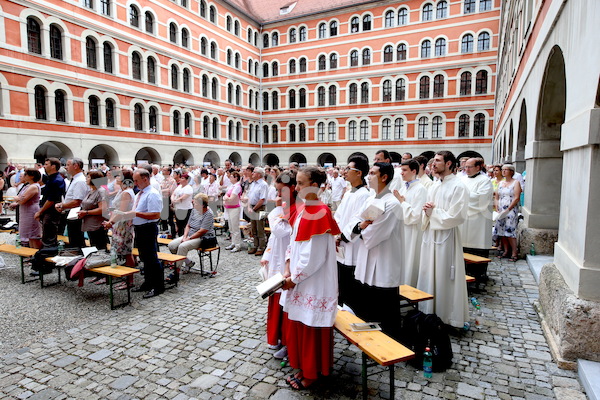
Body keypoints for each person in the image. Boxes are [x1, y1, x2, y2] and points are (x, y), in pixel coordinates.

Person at [281, 167, 340, 390]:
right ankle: (301, 367)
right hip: (299, 277)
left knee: (311, 326)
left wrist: (294, 278)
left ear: (315, 186)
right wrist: (288, 266)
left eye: (301, 183)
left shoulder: (320, 211)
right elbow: (293, 242)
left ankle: (313, 372)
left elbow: (313, 257)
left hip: (314, 282)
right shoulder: (304, 208)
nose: (296, 188)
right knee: (299, 324)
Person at [417, 151, 469, 328]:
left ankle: (446, 315)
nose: (433, 164)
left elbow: (458, 215)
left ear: (448, 164)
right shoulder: (434, 185)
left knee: (444, 275)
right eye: (433, 161)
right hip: (431, 234)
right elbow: (428, 210)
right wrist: (426, 211)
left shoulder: (458, 186)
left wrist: (434, 213)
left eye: (438, 161)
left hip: (446, 238)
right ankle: (428, 311)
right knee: (428, 271)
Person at [353, 162, 404, 339]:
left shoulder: (392, 204)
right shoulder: (370, 198)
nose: (368, 176)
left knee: (385, 308)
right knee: (368, 305)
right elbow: (358, 221)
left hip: (384, 260)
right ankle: (370, 338)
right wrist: (359, 227)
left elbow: (374, 234)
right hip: (366, 257)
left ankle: (390, 342)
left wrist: (360, 229)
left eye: (373, 173)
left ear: (384, 177)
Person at [261, 170, 297, 357]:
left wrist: (274, 212)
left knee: (287, 302)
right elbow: (274, 237)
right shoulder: (282, 206)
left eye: (280, 190)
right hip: (277, 257)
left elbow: (281, 230)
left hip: (289, 261)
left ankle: (288, 342)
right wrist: (267, 253)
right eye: (276, 190)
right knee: (276, 300)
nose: (277, 195)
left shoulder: (297, 207)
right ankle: (277, 338)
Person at [334, 156, 371, 310]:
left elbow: (358, 220)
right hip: (340, 242)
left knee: (350, 281)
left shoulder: (364, 194)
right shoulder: (349, 193)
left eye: (349, 169)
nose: (345, 171)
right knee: (341, 280)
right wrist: (335, 233)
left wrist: (342, 236)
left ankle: (351, 312)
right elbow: (339, 216)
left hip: (352, 244)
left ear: (359, 173)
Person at [393, 159, 428, 287]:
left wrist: (401, 202)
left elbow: (416, 216)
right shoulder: (404, 187)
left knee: (409, 263)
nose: (401, 173)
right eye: (401, 170)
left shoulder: (421, 189)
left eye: (404, 170)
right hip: (401, 230)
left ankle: (409, 290)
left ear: (414, 171)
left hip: (412, 232)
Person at [130, 168, 164, 298]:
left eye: (136, 180)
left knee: (151, 258)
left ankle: (158, 286)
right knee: (145, 257)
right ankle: (148, 282)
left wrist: (136, 214)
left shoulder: (152, 194)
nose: (135, 183)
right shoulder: (140, 193)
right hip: (140, 228)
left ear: (145, 179)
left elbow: (155, 214)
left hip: (148, 228)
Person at [167, 193, 217, 279]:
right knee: (171, 245)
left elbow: (202, 231)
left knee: (182, 246)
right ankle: (188, 262)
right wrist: (185, 236)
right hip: (190, 235)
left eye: (196, 202)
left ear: (203, 205)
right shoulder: (194, 210)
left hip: (203, 238)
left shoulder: (209, 213)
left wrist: (188, 239)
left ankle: (176, 272)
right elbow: (188, 225)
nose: (193, 203)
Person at [460, 158, 494, 263]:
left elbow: (482, 199)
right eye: (465, 166)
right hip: (464, 220)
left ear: (478, 167)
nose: (466, 169)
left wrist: (461, 197)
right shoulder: (462, 179)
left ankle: (479, 274)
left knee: (476, 248)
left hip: (479, 222)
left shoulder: (485, 180)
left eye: (469, 167)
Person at [103, 170, 136, 273]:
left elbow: (121, 211)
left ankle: (129, 279)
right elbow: (115, 208)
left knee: (126, 251)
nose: (117, 178)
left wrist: (111, 222)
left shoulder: (126, 192)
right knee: (121, 249)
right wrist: (110, 220)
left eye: (119, 176)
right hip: (119, 223)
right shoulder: (122, 190)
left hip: (124, 224)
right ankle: (124, 274)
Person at [56, 158, 89, 248]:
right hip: (72, 212)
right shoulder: (75, 179)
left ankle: (78, 256)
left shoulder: (80, 181)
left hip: (75, 212)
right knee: (73, 237)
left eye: (68, 165)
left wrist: (62, 205)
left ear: (75, 166)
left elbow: (77, 201)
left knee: (76, 238)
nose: (66, 167)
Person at [35, 158, 65, 248]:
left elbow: (51, 199)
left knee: (49, 235)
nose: (44, 166)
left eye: (47, 164)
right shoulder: (51, 178)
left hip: (51, 211)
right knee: (46, 233)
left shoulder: (57, 180)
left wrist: (40, 211)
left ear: (53, 166)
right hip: (48, 210)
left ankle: (48, 255)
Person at [494, 164, 521, 261]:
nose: (504, 171)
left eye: (506, 170)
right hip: (501, 210)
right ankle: (506, 251)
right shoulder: (501, 183)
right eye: (503, 169)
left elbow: (516, 197)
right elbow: (497, 196)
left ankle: (514, 252)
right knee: (502, 231)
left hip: (510, 209)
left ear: (511, 172)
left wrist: (509, 208)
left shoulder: (516, 182)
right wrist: (497, 206)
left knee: (510, 231)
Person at [77, 170, 108, 250]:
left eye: (88, 177)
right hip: (89, 225)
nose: (86, 179)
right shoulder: (91, 191)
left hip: (97, 225)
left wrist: (86, 212)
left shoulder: (101, 191)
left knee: (99, 247)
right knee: (93, 246)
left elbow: (102, 209)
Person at [11, 168, 42, 248]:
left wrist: (17, 199)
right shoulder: (28, 185)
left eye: (25, 174)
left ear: (31, 176)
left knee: (32, 234)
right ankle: (29, 253)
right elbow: (20, 198)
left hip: (31, 211)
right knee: (27, 233)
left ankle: (34, 253)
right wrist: (18, 199)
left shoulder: (33, 187)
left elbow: (22, 200)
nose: (24, 176)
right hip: (25, 210)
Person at [246, 167, 268, 256]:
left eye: (254, 172)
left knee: (260, 228)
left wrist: (254, 209)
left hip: (260, 208)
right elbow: (250, 196)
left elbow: (262, 199)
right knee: (253, 227)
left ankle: (261, 247)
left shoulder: (263, 184)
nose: (252, 174)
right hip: (252, 207)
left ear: (259, 174)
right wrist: (249, 207)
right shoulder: (253, 184)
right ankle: (255, 245)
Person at [223, 171, 243, 252]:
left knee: (235, 227)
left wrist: (227, 198)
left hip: (234, 208)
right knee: (231, 227)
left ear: (236, 178)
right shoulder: (231, 186)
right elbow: (225, 196)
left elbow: (231, 198)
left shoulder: (237, 186)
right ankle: (233, 242)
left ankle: (237, 245)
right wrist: (226, 198)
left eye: (231, 177)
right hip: (228, 207)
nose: (230, 178)